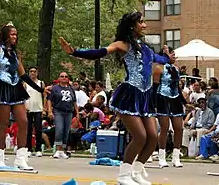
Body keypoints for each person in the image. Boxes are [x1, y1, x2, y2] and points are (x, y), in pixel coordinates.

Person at [59, 11, 171, 185]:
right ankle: (123, 175)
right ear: (131, 26)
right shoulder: (122, 45)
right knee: (140, 136)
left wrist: (167, 57)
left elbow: (159, 59)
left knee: (153, 136)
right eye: (141, 22)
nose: (144, 25)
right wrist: (75, 52)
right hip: (129, 95)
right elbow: (100, 52)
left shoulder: (146, 48)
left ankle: (137, 170)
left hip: (145, 96)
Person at [0, 22, 49, 170]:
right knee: (3, 123)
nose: (15, 37)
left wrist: (40, 89)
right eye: (13, 34)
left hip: (16, 88)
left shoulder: (15, 54)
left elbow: (23, 75)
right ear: (6, 35)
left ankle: (21, 158)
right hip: (2, 87)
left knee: (24, 122)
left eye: (16, 35)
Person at [153, 47, 190, 168]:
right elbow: (154, 88)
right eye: (172, 54)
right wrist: (153, 105)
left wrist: (184, 102)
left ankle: (176, 157)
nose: (174, 56)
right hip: (162, 98)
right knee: (164, 128)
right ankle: (162, 157)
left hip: (175, 99)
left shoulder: (177, 68)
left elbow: (177, 88)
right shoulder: (158, 68)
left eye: (175, 54)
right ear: (165, 54)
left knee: (179, 128)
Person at [47, 72, 79, 159]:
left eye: (66, 76)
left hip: (69, 112)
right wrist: (49, 111)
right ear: (59, 78)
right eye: (62, 76)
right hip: (58, 111)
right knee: (59, 129)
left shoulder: (71, 89)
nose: (64, 78)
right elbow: (49, 100)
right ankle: (57, 149)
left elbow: (74, 101)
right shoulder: (55, 88)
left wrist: (77, 112)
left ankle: (62, 150)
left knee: (66, 131)